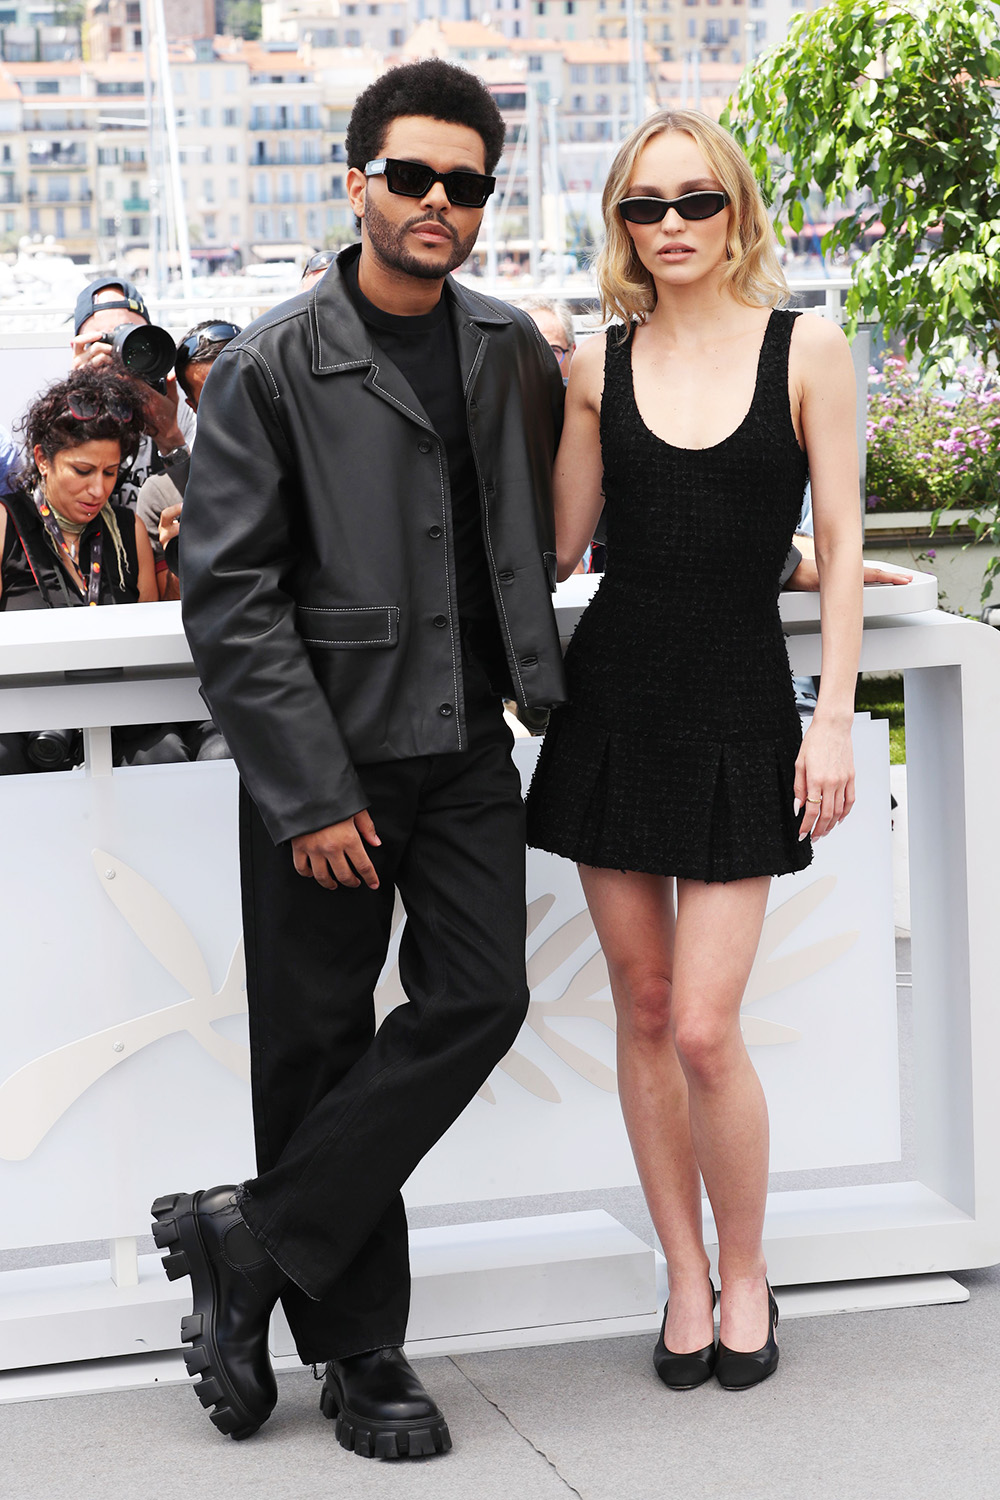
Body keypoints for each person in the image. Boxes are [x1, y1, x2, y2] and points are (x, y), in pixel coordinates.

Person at [151, 59, 566, 1457]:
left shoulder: (509, 348)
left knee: (481, 999)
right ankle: (363, 1354)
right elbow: (231, 595)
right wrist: (311, 788)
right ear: (358, 183)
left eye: (465, 183)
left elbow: (534, 525)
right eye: (412, 176)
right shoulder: (273, 361)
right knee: (317, 1050)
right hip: (326, 755)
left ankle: (253, 1237)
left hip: (464, 749)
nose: (437, 202)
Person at [525, 109, 864, 1391]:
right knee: (647, 1008)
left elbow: (832, 536)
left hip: (740, 707)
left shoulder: (809, 347)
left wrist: (831, 713)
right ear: (618, 225)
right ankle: (680, 1274)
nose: (670, 227)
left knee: (709, 1027)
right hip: (613, 700)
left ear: (737, 210)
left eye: (694, 202)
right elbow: (558, 552)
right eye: (642, 208)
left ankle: (752, 1271)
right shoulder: (596, 368)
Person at [0, 365, 193, 771]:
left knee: (168, 756)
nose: (98, 490)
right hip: (25, 725)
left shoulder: (128, 528)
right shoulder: (6, 523)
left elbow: (154, 650)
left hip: (123, 720)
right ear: (42, 459)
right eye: (82, 471)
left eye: (110, 472)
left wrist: (185, 561)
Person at [135, 319, 242, 599]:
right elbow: (166, 615)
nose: (231, 403)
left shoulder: (306, 463)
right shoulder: (163, 495)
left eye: (239, 385)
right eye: (212, 395)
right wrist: (182, 560)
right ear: (193, 407)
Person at [71, 277, 196, 510]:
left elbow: (207, 506)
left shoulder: (180, 408)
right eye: (106, 338)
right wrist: (77, 399)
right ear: (81, 347)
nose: (122, 349)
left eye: (132, 335)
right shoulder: (61, 414)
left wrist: (170, 437)